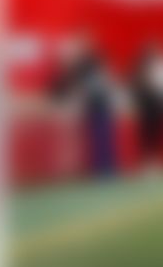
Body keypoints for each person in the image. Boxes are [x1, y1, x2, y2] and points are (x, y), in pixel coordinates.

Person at [48, 32, 119, 180]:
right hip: (97, 104)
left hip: (99, 103)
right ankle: (103, 170)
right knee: (99, 138)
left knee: (101, 137)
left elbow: (66, 85)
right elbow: (63, 86)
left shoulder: (88, 63)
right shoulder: (86, 64)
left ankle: (105, 170)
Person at [129, 42, 163, 175]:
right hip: (147, 105)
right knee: (148, 135)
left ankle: (153, 163)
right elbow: (137, 87)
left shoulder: (158, 67)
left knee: (154, 134)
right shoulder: (140, 69)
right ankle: (148, 164)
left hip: (155, 104)